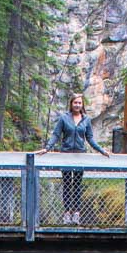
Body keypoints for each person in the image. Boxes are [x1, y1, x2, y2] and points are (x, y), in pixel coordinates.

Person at [37, 94, 110, 225]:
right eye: (75, 103)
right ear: (71, 104)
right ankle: (66, 213)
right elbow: (56, 135)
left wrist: (101, 150)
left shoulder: (86, 120)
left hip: (80, 155)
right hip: (65, 154)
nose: (77, 105)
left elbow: (90, 138)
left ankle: (76, 213)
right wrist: (47, 148)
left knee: (76, 184)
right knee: (66, 184)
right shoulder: (64, 118)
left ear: (82, 105)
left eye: (79, 103)